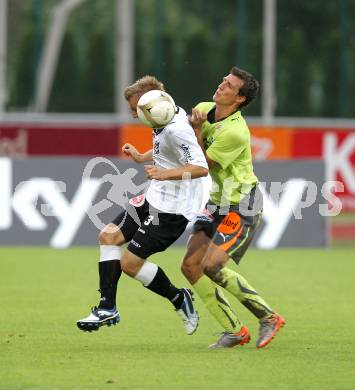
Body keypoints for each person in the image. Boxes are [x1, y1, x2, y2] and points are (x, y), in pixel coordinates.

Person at [77, 76, 209, 335]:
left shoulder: (179, 126)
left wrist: (163, 174)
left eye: (135, 109)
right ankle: (107, 307)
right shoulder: (165, 113)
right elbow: (165, 148)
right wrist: (142, 157)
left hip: (172, 211)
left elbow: (200, 167)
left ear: (150, 99)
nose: (135, 116)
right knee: (108, 236)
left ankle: (179, 298)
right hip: (152, 198)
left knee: (130, 265)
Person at [181, 66, 285, 348]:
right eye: (223, 81)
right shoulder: (205, 108)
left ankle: (268, 317)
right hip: (216, 202)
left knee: (212, 266)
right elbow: (185, 142)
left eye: (228, 86)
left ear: (239, 99)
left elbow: (202, 165)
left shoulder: (236, 132)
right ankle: (235, 330)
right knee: (190, 266)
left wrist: (197, 130)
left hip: (242, 204)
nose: (220, 87)